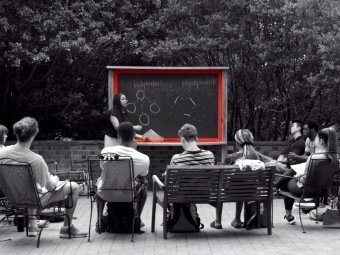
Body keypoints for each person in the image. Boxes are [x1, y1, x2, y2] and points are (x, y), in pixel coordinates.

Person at [0, 117, 87, 238]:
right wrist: (55, 180)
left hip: (12, 198)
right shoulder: (35, 159)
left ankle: (32, 226)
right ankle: (66, 228)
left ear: (17, 134)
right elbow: (51, 187)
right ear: (34, 135)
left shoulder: (2, 153)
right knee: (74, 186)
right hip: (35, 199)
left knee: (31, 187)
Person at [210, 129, 275, 229]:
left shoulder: (230, 157)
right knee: (242, 185)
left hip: (230, 192)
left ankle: (218, 221)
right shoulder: (257, 158)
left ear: (237, 143)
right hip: (252, 192)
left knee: (224, 186)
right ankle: (237, 220)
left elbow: (223, 179)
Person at [96, 121, 150, 233]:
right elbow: (142, 176)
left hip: (105, 193)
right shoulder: (143, 158)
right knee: (144, 183)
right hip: (128, 194)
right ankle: (136, 219)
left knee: (99, 182)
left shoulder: (106, 152)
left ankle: (100, 221)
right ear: (134, 136)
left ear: (118, 137)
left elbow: (103, 168)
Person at [281, 127, 338, 225]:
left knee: (286, 182)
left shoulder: (314, 158)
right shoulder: (336, 159)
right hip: (323, 191)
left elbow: (304, 180)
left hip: (306, 191)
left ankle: (289, 216)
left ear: (320, 140)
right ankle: (299, 209)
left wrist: (297, 177)